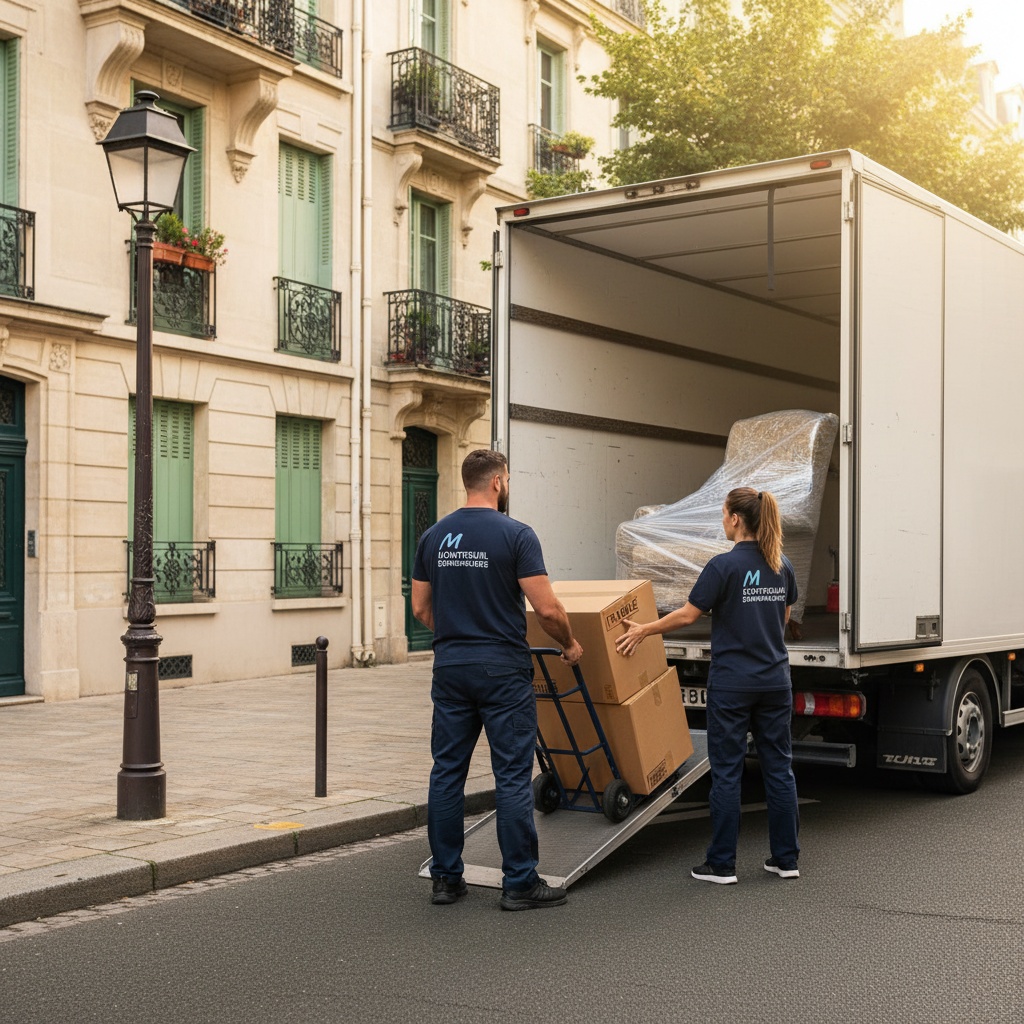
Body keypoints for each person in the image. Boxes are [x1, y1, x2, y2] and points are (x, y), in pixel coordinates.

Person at [411, 448, 584, 910]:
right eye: (507, 479)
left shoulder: (434, 536)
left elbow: (421, 608)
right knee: (510, 774)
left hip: (450, 666)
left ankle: (446, 880)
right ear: (498, 483)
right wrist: (569, 643)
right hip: (502, 669)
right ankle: (520, 883)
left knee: (447, 772)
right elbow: (547, 609)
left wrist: (458, 638)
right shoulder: (516, 535)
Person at [615, 487, 800, 884]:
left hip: (733, 684)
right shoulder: (781, 564)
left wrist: (645, 629)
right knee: (780, 770)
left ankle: (721, 864)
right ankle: (786, 860)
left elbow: (686, 615)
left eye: (723, 514)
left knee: (728, 772)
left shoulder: (723, 567)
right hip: (774, 681)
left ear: (735, 519)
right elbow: (784, 616)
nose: (722, 521)